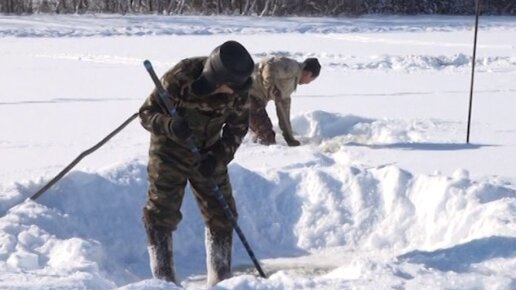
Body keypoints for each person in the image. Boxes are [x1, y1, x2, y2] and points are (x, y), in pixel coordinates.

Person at [138, 40, 254, 286]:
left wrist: (217, 158)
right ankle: (164, 279)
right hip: (169, 149)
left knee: (223, 213)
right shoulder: (181, 77)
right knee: (161, 213)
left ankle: (220, 278)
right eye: (230, 87)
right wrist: (169, 125)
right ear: (217, 79)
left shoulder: (241, 89)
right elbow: (146, 114)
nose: (235, 92)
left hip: (208, 151)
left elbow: (237, 129)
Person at [248, 57, 321, 146]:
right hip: (247, 92)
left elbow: (284, 114)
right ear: (309, 74)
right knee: (266, 135)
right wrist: (271, 87)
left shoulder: (289, 87)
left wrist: (289, 139)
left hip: (254, 98)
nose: (308, 83)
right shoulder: (292, 67)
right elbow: (269, 66)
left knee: (262, 134)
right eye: (311, 80)